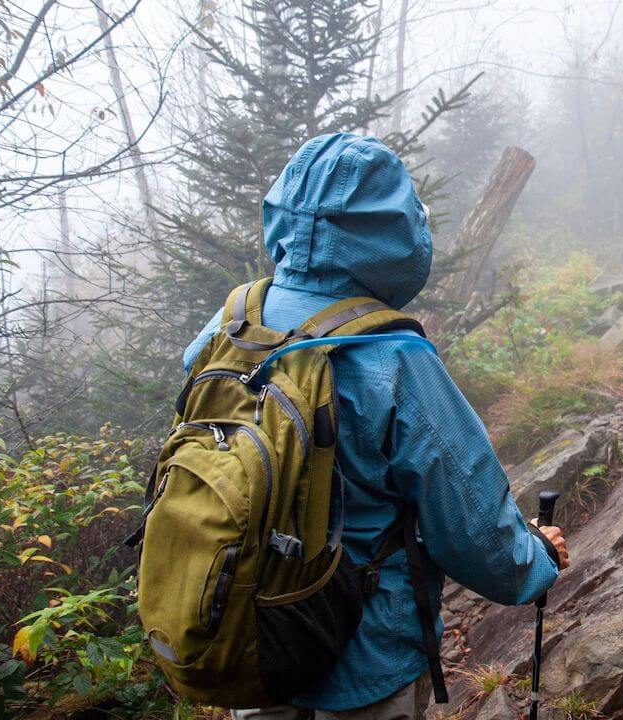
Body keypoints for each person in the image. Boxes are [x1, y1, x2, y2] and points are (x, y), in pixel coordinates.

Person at [183, 133, 571, 720]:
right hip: (364, 656)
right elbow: (468, 521)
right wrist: (536, 558)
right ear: (392, 234)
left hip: (252, 636)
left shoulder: (231, 325)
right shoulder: (394, 355)